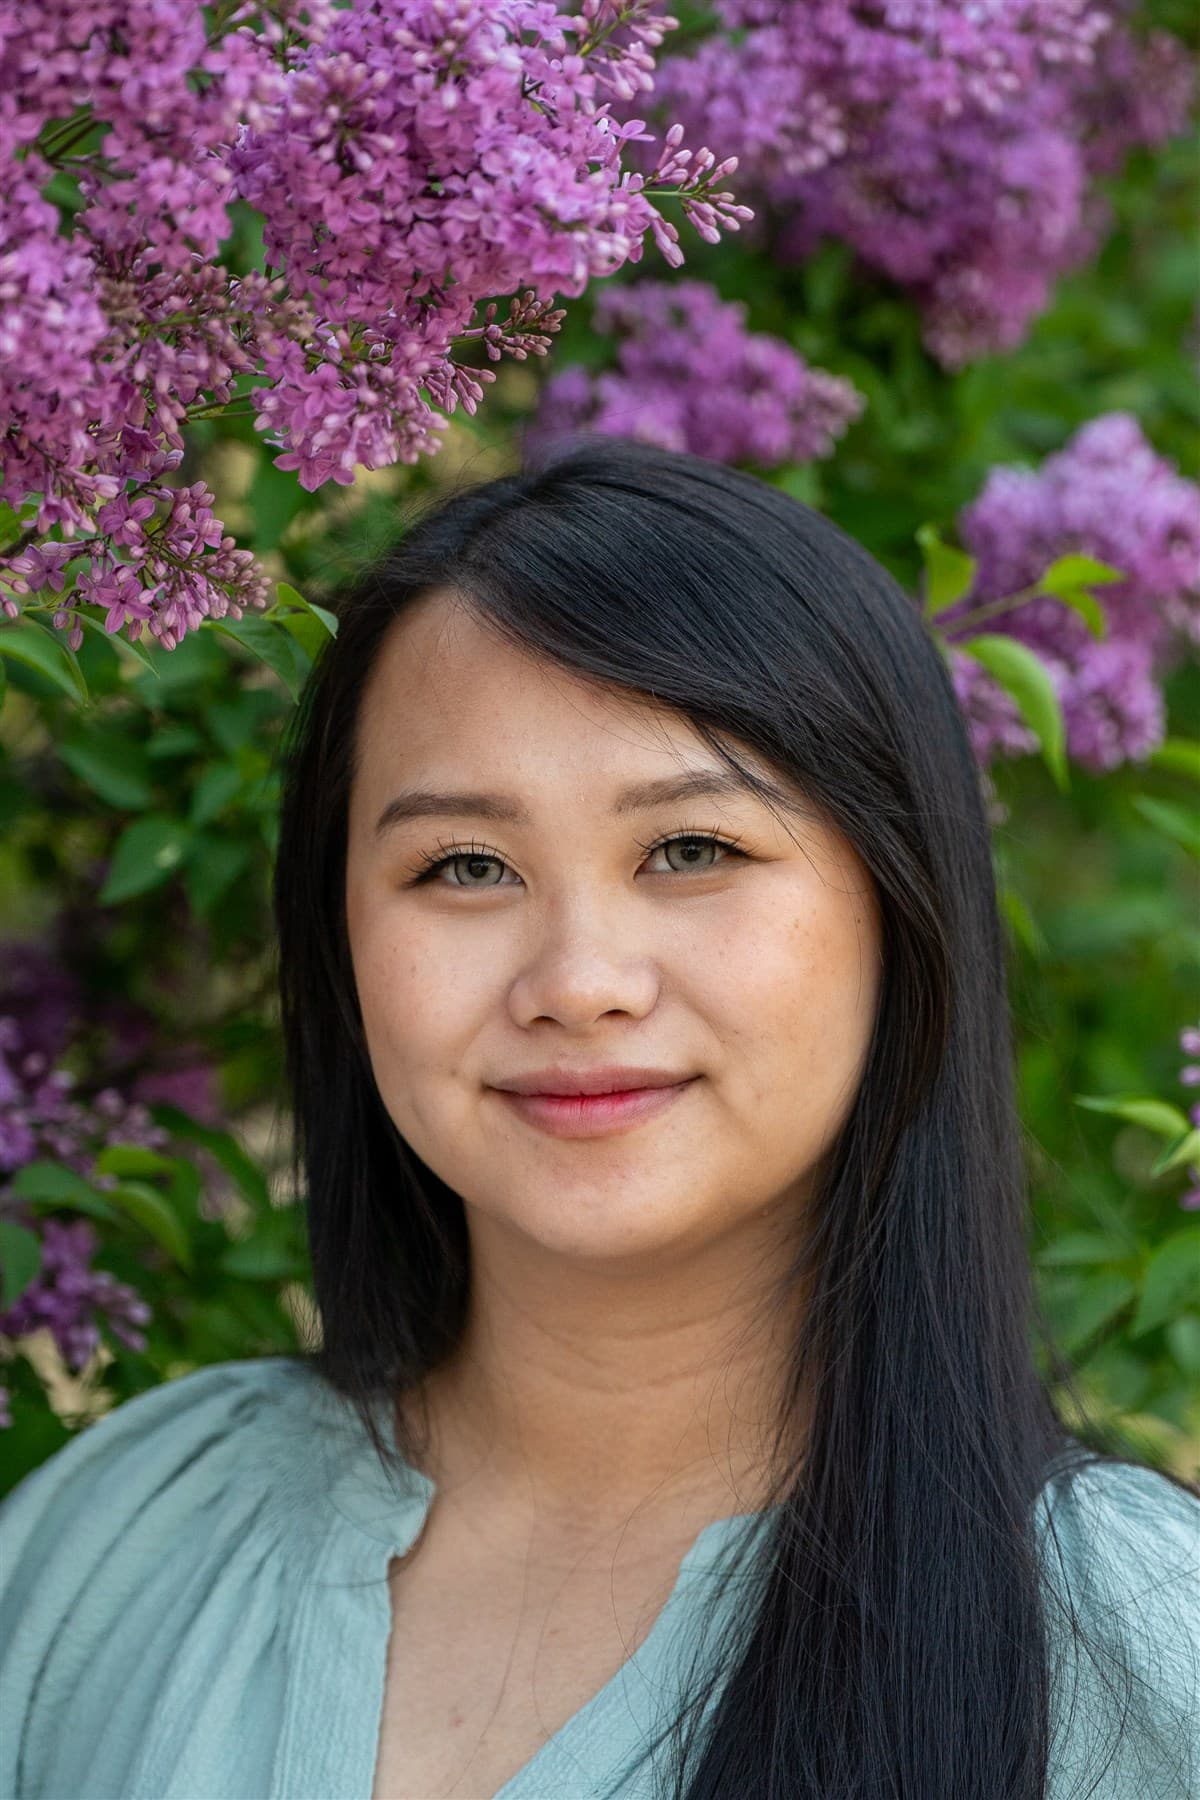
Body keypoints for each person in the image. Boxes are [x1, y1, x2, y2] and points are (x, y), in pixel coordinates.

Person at [1, 437, 1197, 1800]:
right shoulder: (129, 1534)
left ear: (898, 910)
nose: (577, 983)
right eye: (463, 866)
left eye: (692, 851)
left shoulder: (1133, 1656)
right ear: (339, 941)